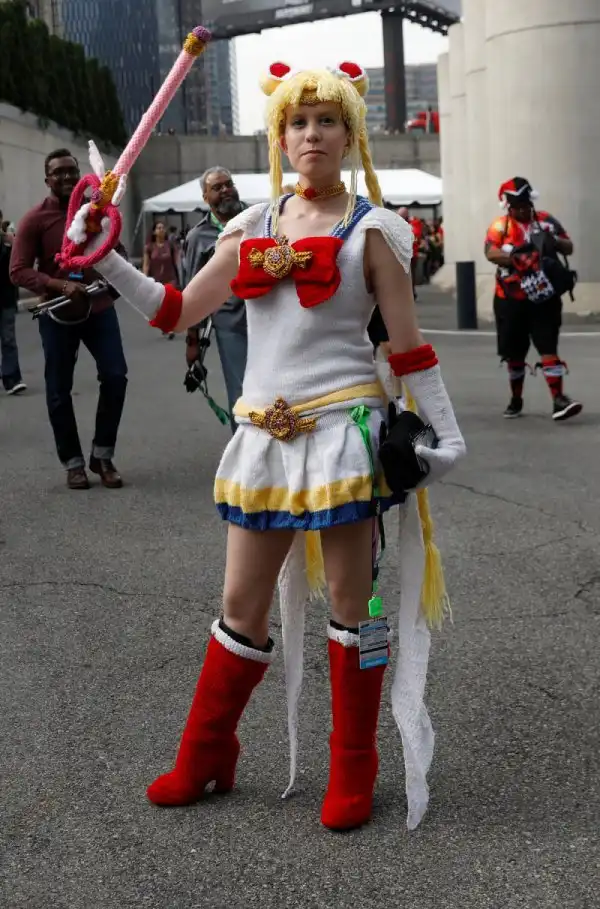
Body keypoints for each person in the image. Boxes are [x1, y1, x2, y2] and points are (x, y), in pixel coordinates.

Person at [80, 61, 465, 831]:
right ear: (279, 138)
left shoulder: (376, 231)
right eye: (298, 122)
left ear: (350, 135)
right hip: (261, 436)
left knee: (353, 604)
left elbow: (411, 348)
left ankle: (355, 765)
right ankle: (208, 752)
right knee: (240, 604)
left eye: (327, 120)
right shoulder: (248, 227)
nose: (311, 134)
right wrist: (106, 256)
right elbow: (177, 310)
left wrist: (446, 433)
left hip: (343, 437)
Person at [10, 149, 128, 489]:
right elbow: (17, 271)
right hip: (57, 314)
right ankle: (73, 463)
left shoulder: (95, 211)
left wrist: (118, 281)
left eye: (71, 171)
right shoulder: (34, 220)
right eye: (58, 173)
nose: (66, 177)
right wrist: (59, 284)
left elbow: (117, 251)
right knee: (59, 390)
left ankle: (102, 456)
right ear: (47, 179)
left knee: (116, 377)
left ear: (80, 176)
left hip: (99, 309)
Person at [485, 177, 582, 420]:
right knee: (515, 353)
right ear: (508, 206)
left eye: (526, 205)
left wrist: (554, 241)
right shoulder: (500, 226)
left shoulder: (546, 220)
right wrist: (517, 258)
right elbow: (490, 252)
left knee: (548, 346)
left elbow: (569, 246)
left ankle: (559, 400)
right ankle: (516, 400)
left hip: (544, 297)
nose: (523, 210)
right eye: (517, 206)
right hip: (510, 299)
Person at [182, 167, 247, 433]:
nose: (226, 190)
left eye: (228, 184)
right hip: (231, 324)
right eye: (217, 188)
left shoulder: (259, 218)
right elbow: (192, 293)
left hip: (269, 316)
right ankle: (244, 454)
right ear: (205, 197)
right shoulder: (198, 237)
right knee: (242, 393)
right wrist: (192, 342)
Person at [0, 216, 26, 395]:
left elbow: (18, 266)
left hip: (6, 299)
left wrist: (13, 244)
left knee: (8, 339)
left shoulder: (9, 243)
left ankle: (12, 379)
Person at [143, 220, 181, 339]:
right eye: (158, 228)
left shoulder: (170, 245)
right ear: (154, 232)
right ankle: (165, 325)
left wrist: (181, 274)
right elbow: (146, 264)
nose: (161, 230)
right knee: (160, 305)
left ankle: (170, 328)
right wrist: (144, 279)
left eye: (162, 228)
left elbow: (177, 261)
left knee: (169, 303)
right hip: (156, 280)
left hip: (170, 278)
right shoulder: (149, 247)